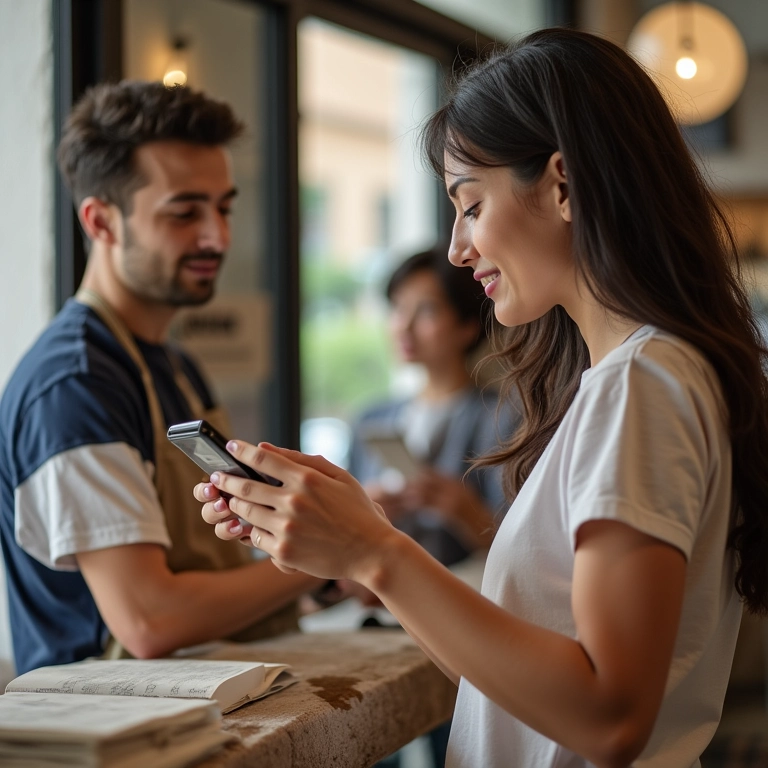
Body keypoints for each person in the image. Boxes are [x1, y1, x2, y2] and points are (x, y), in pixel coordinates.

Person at [197, 28, 768, 768]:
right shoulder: (637, 378)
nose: (459, 248)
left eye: (469, 205)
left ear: (563, 185)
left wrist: (376, 554)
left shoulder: (642, 384)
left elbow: (610, 716)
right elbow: (512, 682)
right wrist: (359, 538)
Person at [0, 80, 322, 676]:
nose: (217, 238)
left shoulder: (176, 365)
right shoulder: (75, 385)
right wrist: (324, 560)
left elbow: (214, 568)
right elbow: (150, 619)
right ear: (101, 222)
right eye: (184, 213)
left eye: (223, 207)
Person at [348, 248, 518, 568]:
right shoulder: (370, 419)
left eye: (426, 311)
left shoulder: (503, 417)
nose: (404, 326)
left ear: (468, 326)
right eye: (398, 308)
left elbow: (528, 548)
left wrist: (467, 513)